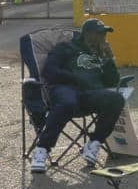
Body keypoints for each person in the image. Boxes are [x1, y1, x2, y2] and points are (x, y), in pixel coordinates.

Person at [32, 17, 125, 172]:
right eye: (99, 34)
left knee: (116, 99)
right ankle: (42, 149)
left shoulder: (100, 55)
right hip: (66, 89)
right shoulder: (65, 48)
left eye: (104, 34)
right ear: (87, 34)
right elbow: (50, 71)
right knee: (67, 103)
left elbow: (112, 81)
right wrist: (75, 77)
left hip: (90, 95)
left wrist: (109, 59)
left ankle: (94, 143)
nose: (103, 38)